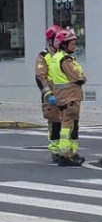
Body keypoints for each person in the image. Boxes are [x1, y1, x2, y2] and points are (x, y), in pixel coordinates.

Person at [48, 28, 86, 167]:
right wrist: (82, 77)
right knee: (68, 126)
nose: (75, 46)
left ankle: (68, 154)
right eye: (72, 43)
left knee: (65, 124)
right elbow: (77, 77)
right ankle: (66, 155)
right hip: (71, 97)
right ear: (64, 44)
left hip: (61, 97)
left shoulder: (55, 57)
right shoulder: (65, 59)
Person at [35, 25, 62, 161]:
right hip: (51, 95)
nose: (60, 41)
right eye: (57, 39)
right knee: (55, 122)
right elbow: (40, 77)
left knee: (68, 123)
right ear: (50, 41)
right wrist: (48, 94)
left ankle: (65, 149)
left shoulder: (64, 55)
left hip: (65, 94)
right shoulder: (43, 56)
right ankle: (55, 150)